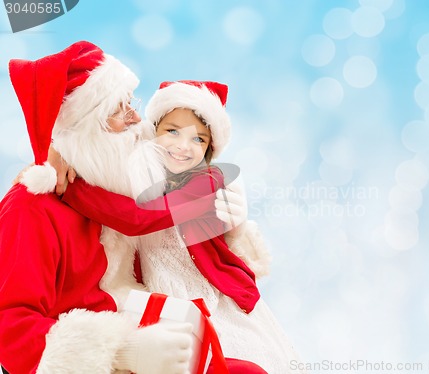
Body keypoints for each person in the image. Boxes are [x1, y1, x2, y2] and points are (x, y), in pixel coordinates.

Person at [0, 42, 246, 374]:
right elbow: (10, 329)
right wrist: (121, 353)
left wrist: (233, 224)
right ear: (85, 126)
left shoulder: (117, 185)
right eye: (119, 110)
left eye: (131, 103)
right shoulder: (32, 207)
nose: (135, 119)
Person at [59, 80, 306, 373]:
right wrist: (62, 153)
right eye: (172, 131)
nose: (183, 146)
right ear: (153, 131)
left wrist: (70, 189)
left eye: (198, 139)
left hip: (216, 297)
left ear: (210, 149)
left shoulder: (208, 182)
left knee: (245, 361)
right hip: (164, 297)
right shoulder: (139, 171)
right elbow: (101, 149)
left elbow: (138, 219)